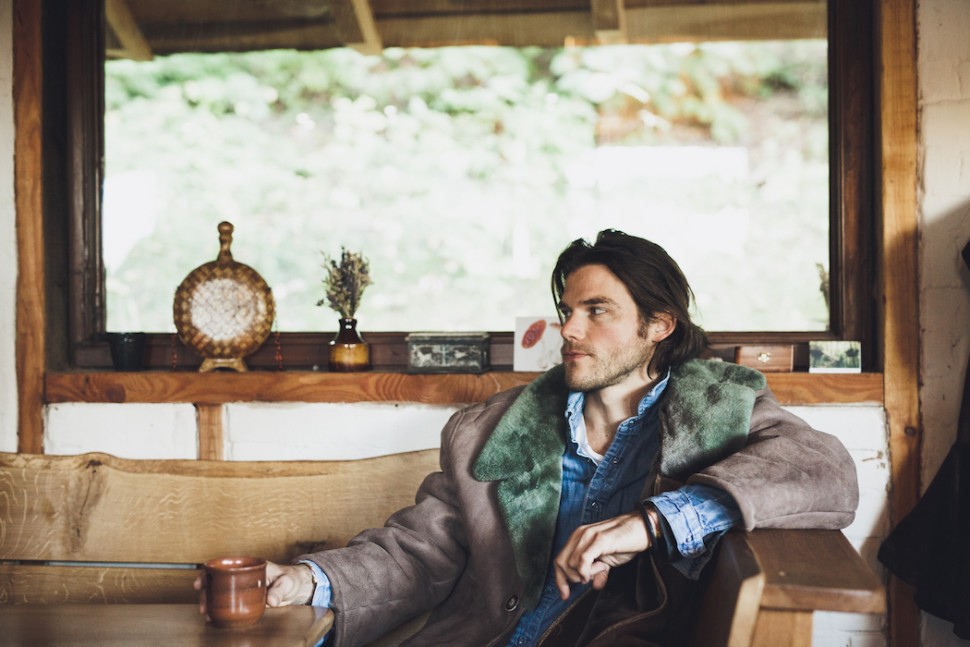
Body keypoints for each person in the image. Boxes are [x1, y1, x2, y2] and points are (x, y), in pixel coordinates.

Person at [196, 229, 859, 646]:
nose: (569, 330)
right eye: (567, 311)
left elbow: (825, 471)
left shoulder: (720, 409)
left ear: (659, 325)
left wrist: (652, 522)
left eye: (597, 311)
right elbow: (418, 554)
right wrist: (305, 580)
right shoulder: (489, 431)